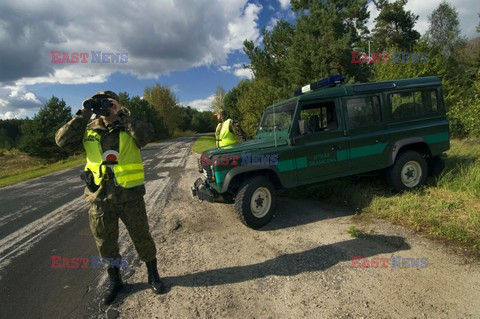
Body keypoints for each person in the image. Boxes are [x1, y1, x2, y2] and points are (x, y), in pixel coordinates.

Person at [55, 90, 164, 305]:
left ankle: (153, 275)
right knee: (105, 244)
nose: (103, 107)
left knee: (142, 236)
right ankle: (116, 281)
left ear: (117, 103)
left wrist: (120, 115)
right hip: (99, 197)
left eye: (108, 102)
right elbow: (61, 141)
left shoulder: (129, 125)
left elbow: (147, 135)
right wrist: (84, 113)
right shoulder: (88, 129)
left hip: (129, 195)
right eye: (99, 103)